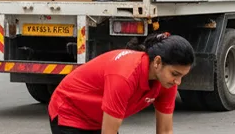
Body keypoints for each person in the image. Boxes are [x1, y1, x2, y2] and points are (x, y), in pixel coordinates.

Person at [48, 33, 194, 134]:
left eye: (182, 76)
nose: (178, 82)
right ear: (157, 62)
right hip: (70, 112)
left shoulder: (167, 81)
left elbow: (165, 131)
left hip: (99, 118)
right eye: (175, 74)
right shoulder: (125, 76)